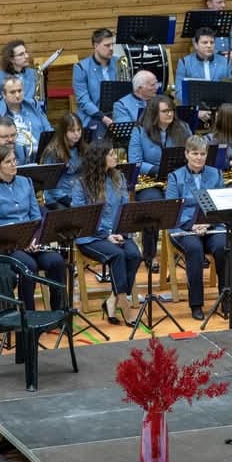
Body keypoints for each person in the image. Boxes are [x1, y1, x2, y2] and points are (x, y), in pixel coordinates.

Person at [0, 144, 65, 311]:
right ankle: (28, 315)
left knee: (56, 261)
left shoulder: (26, 182)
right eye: (8, 162)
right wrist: (21, 242)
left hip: (32, 241)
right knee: (29, 266)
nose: (14, 164)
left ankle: (59, 311)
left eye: (14, 160)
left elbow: (36, 217)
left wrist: (35, 239)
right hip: (9, 245)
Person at [72, 139, 140, 326]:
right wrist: (105, 235)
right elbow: (81, 218)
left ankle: (112, 300)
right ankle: (125, 306)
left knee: (134, 254)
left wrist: (121, 232)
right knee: (118, 255)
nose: (115, 157)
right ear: (100, 158)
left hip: (118, 232)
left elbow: (125, 209)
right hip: (91, 237)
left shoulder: (119, 177)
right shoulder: (81, 184)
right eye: (111, 154)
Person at [166, 135, 228, 321]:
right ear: (186, 154)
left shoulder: (216, 174)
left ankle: (226, 298)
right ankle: (196, 304)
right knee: (194, 249)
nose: (199, 158)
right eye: (195, 153)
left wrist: (206, 223)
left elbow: (220, 204)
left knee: (223, 246)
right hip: (183, 228)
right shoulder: (175, 177)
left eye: (202, 154)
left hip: (211, 224)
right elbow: (172, 209)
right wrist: (193, 225)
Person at [128, 94, 192, 263]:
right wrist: (156, 170)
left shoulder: (183, 128)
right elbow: (135, 162)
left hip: (177, 178)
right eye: (165, 111)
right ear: (154, 113)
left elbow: (192, 153)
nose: (169, 114)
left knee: (189, 202)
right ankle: (149, 255)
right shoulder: (139, 131)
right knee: (153, 207)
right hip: (149, 181)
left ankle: (188, 249)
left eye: (171, 110)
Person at [0, 76, 52, 161]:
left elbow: (49, 131)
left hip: (43, 157)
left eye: (19, 91)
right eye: (12, 92)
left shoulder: (33, 105)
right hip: (14, 161)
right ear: (3, 94)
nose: (17, 95)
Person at [73, 28, 119, 139]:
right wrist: (104, 118)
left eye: (112, 44)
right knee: (101, 142)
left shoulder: (118, 62)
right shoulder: (81, 68)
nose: (111, 48)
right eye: (107, 45)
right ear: (95, 46)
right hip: (93, 117)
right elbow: (84, 101)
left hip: (116, 113)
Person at [174, 26, 232, 106]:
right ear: (196, 45)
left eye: (212, 42)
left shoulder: (225, 62)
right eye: (205, 42)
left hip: (219, 108)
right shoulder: (184, 63)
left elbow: (230, 89)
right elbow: (179, 91)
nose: (209, 46)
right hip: (195, 107)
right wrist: (197, 109)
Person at [39, 113, 86, 209]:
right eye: (72, 131)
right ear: (64, 132)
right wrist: (69, 202)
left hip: (75, 194)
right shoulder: (53, 152)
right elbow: (50, 185)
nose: (77, 134)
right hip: (56, 199)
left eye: (79, 130)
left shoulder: (82, 148)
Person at [0, 39, 39, 107]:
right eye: (21, 54)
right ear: (11, 59)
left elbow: (39, 101)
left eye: (26, 52)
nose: (27, 56)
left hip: (30, 115)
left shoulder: (34, 73)